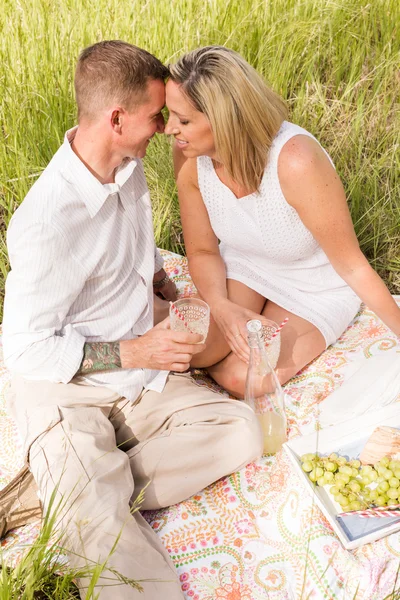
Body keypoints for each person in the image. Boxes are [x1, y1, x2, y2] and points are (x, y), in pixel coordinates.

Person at [1, 41, 263, 599]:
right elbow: (21, 349)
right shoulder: (46, 224)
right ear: (116, 119)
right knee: (107, 537)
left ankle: (60, 491)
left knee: (241, 430)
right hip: (65, 388)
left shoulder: (127, 169)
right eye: (156, 116)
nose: (166, 127)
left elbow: (132, 252)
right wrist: (135, 351)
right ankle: (83, 495)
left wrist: (158, 283)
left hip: (137, 382)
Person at [165, 45, 400, 398]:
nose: (170, 129)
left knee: (246, 378)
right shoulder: (189, 155)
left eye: (184, 121)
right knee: (192, 348)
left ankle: (256, 336)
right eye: (171, 115)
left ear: (225, 117)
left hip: (315, 285)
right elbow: (201, 248)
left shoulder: (295, 161)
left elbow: (352, 266)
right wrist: (222, 307)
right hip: (245, 266)